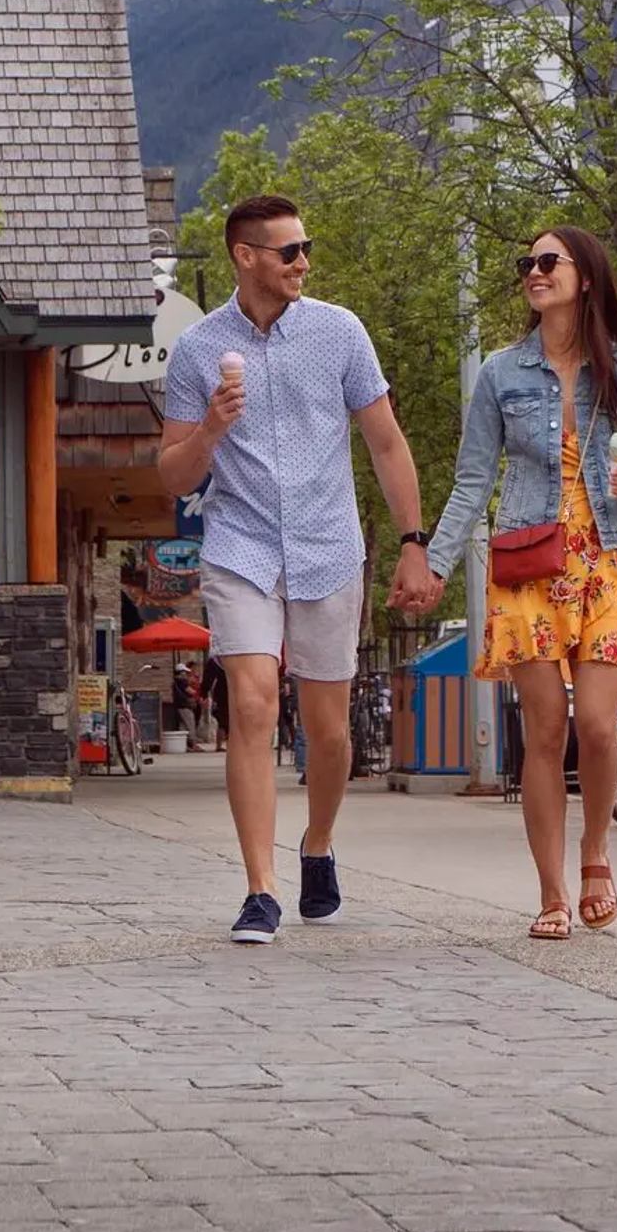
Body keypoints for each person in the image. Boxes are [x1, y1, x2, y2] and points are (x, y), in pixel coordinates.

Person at [160, 194, 432, 942]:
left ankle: (317, 845)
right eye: (290, 251)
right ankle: (260, 888)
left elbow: (384, 441)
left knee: (328, 727)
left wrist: (413, 540)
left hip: (328, 543)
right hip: (241, 543)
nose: (304, 261)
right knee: (250, 700)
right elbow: (172, 477)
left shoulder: (340, 331)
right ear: (246, 256)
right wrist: (212, 425)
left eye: (305, 248)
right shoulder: (196, 352)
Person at [414, 225, 617, 940]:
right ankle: (551, 892)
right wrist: (433, 560)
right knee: (546, 730)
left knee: (596, 726)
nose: (534, 271)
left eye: (549, 261)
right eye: (528, 262)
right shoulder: (500, 373)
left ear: (585, 276)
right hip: (528, 565)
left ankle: (596, 853)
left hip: (603, 558)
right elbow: (471, 481)